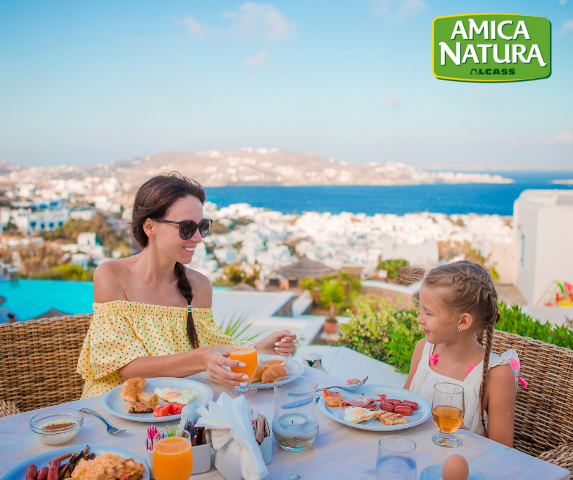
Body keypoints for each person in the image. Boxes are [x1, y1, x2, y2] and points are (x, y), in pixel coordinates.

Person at [77, 173, 296, 398]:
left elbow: (213, 349)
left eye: (202, 226)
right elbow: (128, 368)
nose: (198, 238)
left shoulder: (199, 286)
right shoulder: (112, 275)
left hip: (173, 405)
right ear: (150, 227)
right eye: (186, 227)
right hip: (114, 407)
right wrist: (201, 358)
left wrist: (258, 351)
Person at [348, 261, 520, 447]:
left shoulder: (497, 375)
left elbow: (503, 452)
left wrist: (468, 441)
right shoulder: (423, 350)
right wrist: (365, 396)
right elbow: (403, 405)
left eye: (428, 313)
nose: (419, 318)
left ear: (462, 321)